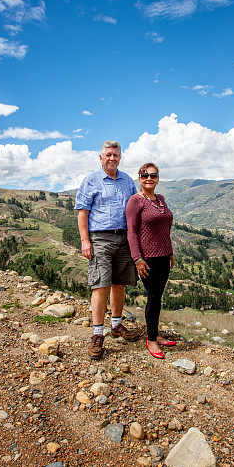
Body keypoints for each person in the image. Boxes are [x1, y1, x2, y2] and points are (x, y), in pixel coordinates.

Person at [75, 140, 142, 360]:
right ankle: (97, 335)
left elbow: (135, 209)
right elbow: (82, 212)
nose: (112, 158)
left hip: (123, 238)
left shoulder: (127, 181)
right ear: (101, 157)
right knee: (101, 285)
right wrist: (85, 241)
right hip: (100, 238)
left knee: (119, 284)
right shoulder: (91, 180)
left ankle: (116, 325)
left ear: (120, 158)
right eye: (108, 155)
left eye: (115, 155)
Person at [125, 162, 175, 359]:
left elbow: (165, 228)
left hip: (164, 256)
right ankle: (151, 340)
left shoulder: (160, 199)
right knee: (153, 297)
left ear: (158, 178)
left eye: (153, 175)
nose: (149, 178)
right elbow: (131, 232)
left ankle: (154, 332)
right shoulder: (135, 201)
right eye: (144, 175)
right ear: (139, 178)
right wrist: (137, 259)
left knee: (158, 297)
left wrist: (170, 251)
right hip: (148, 259)